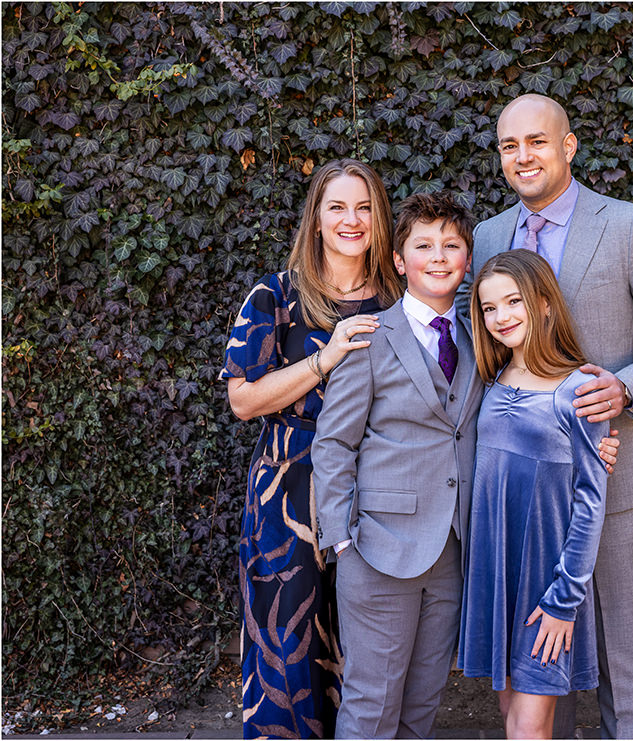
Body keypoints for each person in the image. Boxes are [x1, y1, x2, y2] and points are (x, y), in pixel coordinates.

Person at [459, 93, 633, 739]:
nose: (523, 156)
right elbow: (475, 345)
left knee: (617, 627)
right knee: (542, 630)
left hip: (612, 462)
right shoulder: (487, 236)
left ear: (568, 146)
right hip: (524, 477)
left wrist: (625, 388)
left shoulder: (627, 225)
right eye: (510, 146)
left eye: (537, 141)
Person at [220, 159, 403, 739]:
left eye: (365, 208)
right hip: (287, 487)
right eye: (337, 207)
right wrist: (325, 358)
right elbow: (243, 400)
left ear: (380, 219)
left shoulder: (400, 299)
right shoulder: (275, 295)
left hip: (373, 483)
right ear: (316, 219)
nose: (352, 220)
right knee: (287, 639)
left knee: (363, 637)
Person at [311, 192, 482, 739]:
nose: (439, 257)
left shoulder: (481, 338)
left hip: (453, 549)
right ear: (399, 261)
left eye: (451, 245)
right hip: (378, 549)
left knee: (422, 705)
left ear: (467, 259)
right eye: (423, 246)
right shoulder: (368, 338)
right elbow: (333, 444)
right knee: (372, 704)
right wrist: (342, 540)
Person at [458, 249, 608, 739]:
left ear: (544, 302)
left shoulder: (579, 388)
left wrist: (565, 599)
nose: (501, 316)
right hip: (495, 573)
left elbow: (590, 503)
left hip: (547, 581)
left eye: (513, 301)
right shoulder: (491, 378)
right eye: (489, 307)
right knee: (510, 715)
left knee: (528, 727)